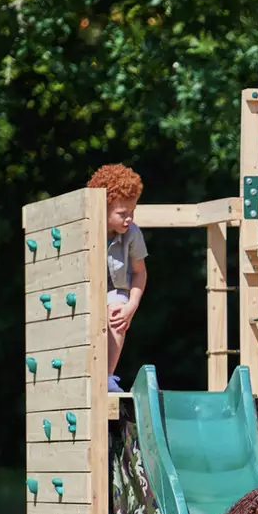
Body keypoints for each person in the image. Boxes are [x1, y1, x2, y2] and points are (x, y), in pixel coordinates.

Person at [86, 163, 148, 393]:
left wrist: (132, 304)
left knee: (118, 312)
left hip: (114, 289)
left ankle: (108, 376)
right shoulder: (89, 228)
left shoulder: (131, 234)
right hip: (87, 288)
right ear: (103, 208)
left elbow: (140, 272)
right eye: (122, 214)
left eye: (132, 212)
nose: (129, 219)